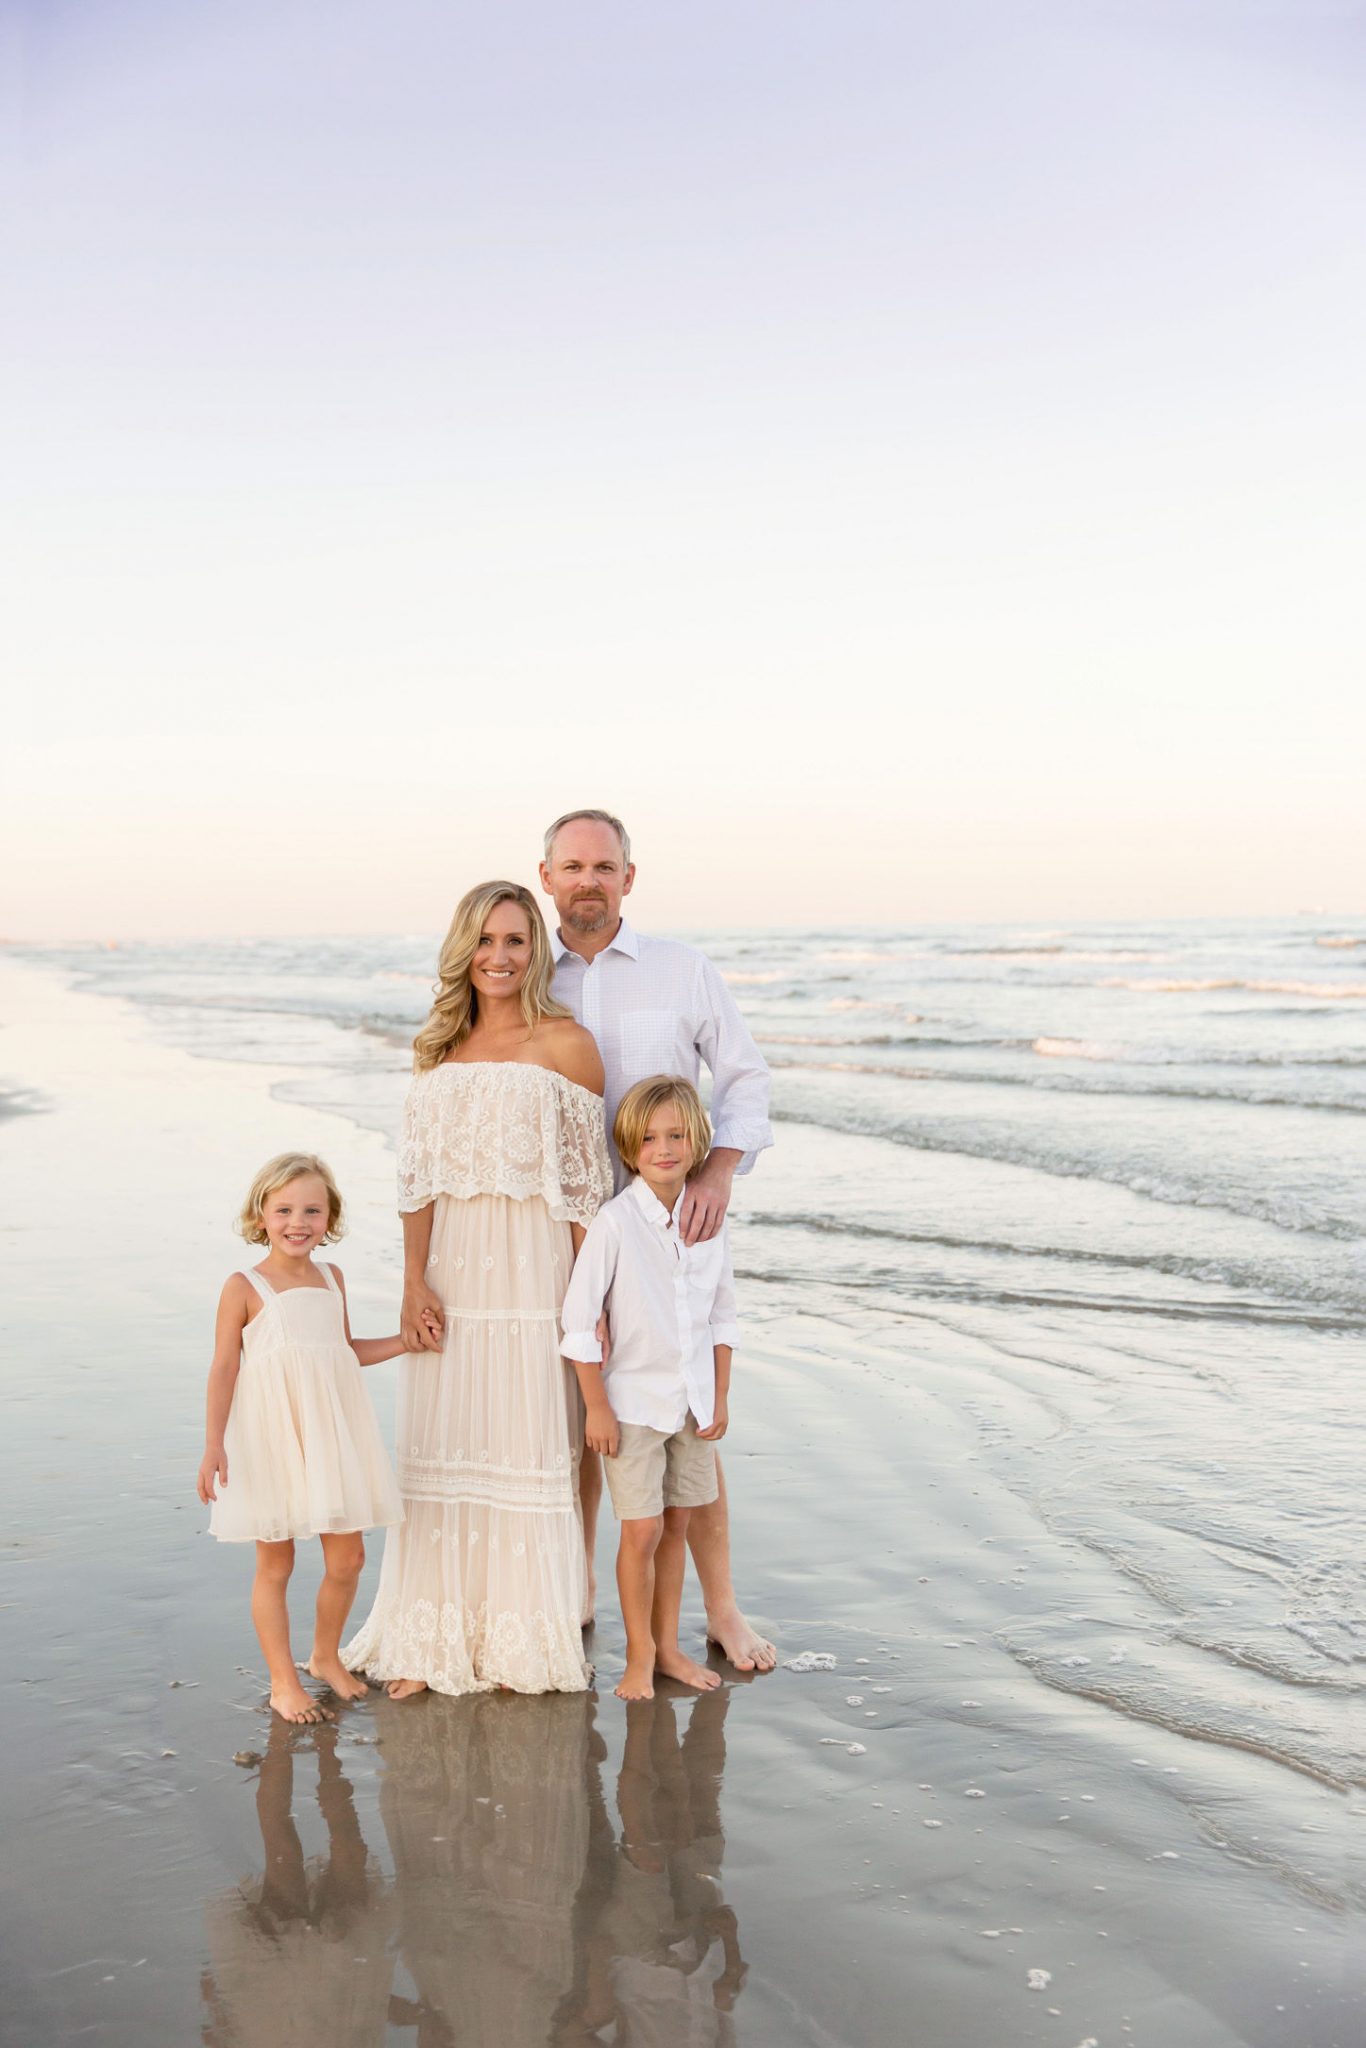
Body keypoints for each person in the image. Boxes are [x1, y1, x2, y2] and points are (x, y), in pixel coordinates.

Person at [343, 880, 612, 1699]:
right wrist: (412, 1280)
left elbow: (584, 1192)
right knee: (443, 1443)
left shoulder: (567, 1043)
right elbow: (416, 1181)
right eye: (485, 941)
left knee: (531, 1443)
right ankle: (434, 1634)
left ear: (536, 951)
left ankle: (527, 1629)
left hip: (536, 1276)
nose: (499, 957)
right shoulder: (437, 1050)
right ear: (463, 950)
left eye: (516, 942)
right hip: (453, 1274)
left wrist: (593, 1304)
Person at [540, 809, 776, 1673]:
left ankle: (721, 1611)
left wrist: (716, 1175)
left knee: (686, 1420)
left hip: (674, 1224)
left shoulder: (684, 970)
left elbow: (745, 1076)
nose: (589, 880)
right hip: (558, 1227)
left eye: (605, 866)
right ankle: (574, 1600)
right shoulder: (528, 975)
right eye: (573, 866)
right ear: (547, 877)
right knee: (586, 1421)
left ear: (629, 878)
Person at [198, 1152, 405, 1724]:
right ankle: (283, 1680)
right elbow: (223, 1368)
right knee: (277, 1565)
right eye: (284, 1209)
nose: (298, 1221)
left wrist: (406, 1341)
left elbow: (345, 1352)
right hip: (272, 1440)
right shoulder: (244, 1286)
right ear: (260, 1214)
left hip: (332, 1436)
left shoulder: (332, 1278)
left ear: (330, 1217)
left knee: (349, 1557)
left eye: (312, 1210)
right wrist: (214, 1444)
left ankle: (324, 1655)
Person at [560, 1076, 737, 1701]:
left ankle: (668, 1650)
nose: (664, 1148)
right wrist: (597, 1407)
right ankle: (638, 1654)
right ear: (630, 1150)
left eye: (677, 1135)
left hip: (690, 1406)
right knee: (641, 1531)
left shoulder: (709, 1221)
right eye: (650, 1138)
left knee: (679, 1525)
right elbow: (579, 1323)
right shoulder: (614, 1222)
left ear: (697, 1141)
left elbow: (722, 1317)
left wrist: (718, 1399)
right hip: (632, 1407)